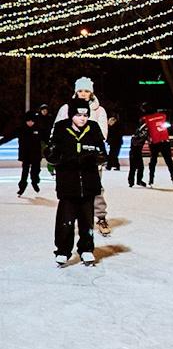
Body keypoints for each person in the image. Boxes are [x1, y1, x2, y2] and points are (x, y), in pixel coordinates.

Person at [48, 100, 106, 267]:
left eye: (85, 115)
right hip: (68, 183)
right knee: (65, 221)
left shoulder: (93, 128)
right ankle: (62, 251)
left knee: (86, 220)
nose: (82, 118)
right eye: (78, 115)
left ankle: (86, 249)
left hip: (88, 182)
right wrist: (53, 155)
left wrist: (98, 156)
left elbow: (102, 151)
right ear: (71, 115)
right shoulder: (61, 128)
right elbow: (54, 153)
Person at [54, 77, 112, 237]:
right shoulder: (66, 109)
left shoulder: (99, 111)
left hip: (90, 158)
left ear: (91, 92)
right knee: (70, 190)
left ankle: (100, 217)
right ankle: (71, 220)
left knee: (96, 188)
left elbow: (102, 134)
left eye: (86, 91)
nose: (83, 94)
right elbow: (57, 130)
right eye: (80, 91)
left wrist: (95, 153)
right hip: (69, 159)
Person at [141, 105, 173, 187]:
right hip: (165, 140)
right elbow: (169, 123)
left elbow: (144, 131)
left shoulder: (146, 119)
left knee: (153, 161)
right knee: (169, 161)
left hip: (154, 142)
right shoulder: (162, 115)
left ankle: (151, 180)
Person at [17, 111, 42, 196]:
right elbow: (8, 136)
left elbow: (47, 138)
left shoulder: (39, 129)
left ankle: (34, 182)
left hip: (36, 155)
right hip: (26, 155)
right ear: (25, 121)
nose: (30, 123)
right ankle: (22, 187)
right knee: (25, 172)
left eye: (32, 121)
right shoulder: (21, 129)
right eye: (28, 121)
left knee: (35, 171)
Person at [128, 115, 148, 188]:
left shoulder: (140, 131)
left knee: (140, 167)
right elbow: (135, 142)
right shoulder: (138, 132)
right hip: (134, 152)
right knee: (133, 168)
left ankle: (137, 181)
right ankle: (132, 182)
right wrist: (143, 139)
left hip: (137, 152)